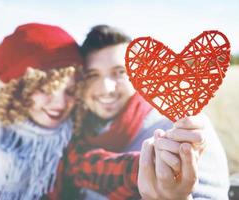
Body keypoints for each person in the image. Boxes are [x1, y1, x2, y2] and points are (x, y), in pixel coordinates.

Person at [0, 23, 141, 200]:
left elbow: (101, 167)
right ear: (19, 90)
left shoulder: (68, 141)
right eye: (46, 90)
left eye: (70, 91)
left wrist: (151, 163)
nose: (60, 104)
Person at [72, 24, 229, 199]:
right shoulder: (74, 131)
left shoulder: (181, 128)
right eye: (92, 75)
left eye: (120, 72)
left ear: (137, 73)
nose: (107, 89)